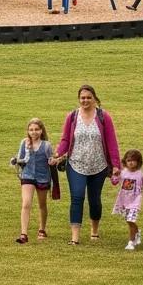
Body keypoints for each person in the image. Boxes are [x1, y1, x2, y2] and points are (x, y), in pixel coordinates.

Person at [49, 84, 121, 245]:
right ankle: (75, 237)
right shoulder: (72, 116)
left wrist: (116, 165)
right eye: (83, 98)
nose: (85, 100)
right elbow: (66, 139)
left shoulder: (104, 117)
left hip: (99, 165)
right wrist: (58, 154)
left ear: (94, 99)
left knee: (94, 200)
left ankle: (94, 230)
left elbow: (111, 142)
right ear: (78, 99)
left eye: (89, 97)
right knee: (77, 197)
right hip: (76, 164)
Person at [11, 117, 54, 244]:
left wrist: (53, 161)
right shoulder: (24, 143)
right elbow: (20, 158)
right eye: (31, 130)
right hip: (27, 176)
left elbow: (50, 160)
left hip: (42, 177)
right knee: (26, 203)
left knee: (42, 204)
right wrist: (16, 161)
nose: (33, 132)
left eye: (36, 129)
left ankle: (42, 228)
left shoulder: (46, 145)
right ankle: (23, 233)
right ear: (28, 131)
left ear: (41, 131)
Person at [112, 148, 143, 250]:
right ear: (125, 162)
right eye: (128, 160)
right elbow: (114, 182)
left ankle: (131, 242)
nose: (131, 163)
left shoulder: (140, 174)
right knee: (129, 220)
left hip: (135, 201)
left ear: (138, 162)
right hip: (124, 201)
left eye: (133, 160)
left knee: (131, 219)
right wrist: (115, 175)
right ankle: (137, 232)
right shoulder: (123, 173)